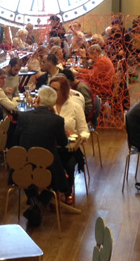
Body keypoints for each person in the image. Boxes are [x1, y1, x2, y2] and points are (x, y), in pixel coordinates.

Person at [14, 86, 68, 227]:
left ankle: (33, 201)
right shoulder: (57, 120)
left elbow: (15, 140)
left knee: (27, 171)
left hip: (22, 167)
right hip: (48, 168)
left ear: (37, 99)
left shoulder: (23, 117)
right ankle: (40, 201)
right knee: (56, 171)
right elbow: (63, 143)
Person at [49, 76, 89, 205]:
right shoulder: (47, 106)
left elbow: (84, 130)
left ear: (65, 90)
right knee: (44, 159)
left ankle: (66, 190)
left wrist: (79, 140)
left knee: (68, 163)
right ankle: (50, 190)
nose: (51, 91)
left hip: (69, 148)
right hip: (51, 146)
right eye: (49, 88)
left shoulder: (75, 107)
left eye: (55, 89)